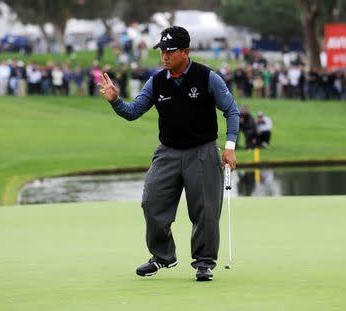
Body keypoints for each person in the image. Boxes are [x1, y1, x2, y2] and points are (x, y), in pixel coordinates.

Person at [98, 26, 240, 282]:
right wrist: (115, 101)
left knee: (206, 210)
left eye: (171, 51)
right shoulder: (156, 81)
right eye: (162, 50)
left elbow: (231, 110)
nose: (164, 56)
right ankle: (163, 256)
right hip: (168, 152)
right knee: (151, 202)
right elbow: (132, 112)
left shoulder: (208, 78)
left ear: (186, 51)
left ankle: (204, 262)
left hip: (203, 151)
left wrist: (229, 147)